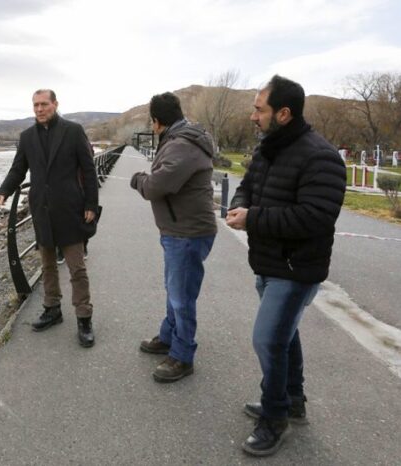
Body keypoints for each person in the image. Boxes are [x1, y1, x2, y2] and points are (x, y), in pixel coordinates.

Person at [226, 75, 346, 456]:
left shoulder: (320, 156)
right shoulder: (268, 149)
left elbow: (315, 217)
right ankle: (293, 401)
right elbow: (246, 185)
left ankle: (275, 418)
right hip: (267, 262)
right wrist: (240, 206)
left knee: (268, 339)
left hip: (296, 268)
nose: (252, 116)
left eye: (259, 109)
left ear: (283, 113)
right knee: (284, 336)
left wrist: (253, 218)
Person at [0, 89, 99, 347]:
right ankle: (52, 309)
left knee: (76, 267)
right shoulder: (27, 137)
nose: (39, 109)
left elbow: (88, 168)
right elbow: (18, 169)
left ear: (55, 104)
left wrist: (91, 204)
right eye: (35, 105)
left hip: (71, 210)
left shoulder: (73, 131)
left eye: (44, 104)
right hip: (43, 210)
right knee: (48, 264)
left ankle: (84, 318)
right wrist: (3, 191)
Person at [130, 91, 217, 382]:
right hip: (179, 230)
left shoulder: (181, 144)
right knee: (175, 290)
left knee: (181, 297)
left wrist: (139, 180)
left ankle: (182, 355)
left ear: (156, 122)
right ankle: (169, 336)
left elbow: (158, 186)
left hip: (187, 232)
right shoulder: (181, 140)